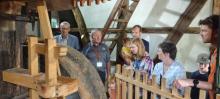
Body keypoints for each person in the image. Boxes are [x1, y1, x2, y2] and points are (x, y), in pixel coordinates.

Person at [174, 15, 219, 99]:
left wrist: (190, 82)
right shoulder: (214, 52)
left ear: (216, 32)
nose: (201, 34)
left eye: (204, 30)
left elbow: (216, 86)